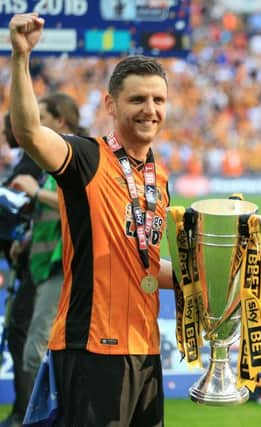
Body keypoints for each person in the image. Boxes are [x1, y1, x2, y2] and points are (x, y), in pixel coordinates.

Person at [8, 13, 173, 427]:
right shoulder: (85, 157)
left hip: (146, 351)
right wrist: (20, 57)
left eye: (158, 100)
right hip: (92, 347)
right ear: (110, 104)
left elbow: (143, 266)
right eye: (137, 99)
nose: (149, 110)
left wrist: (208, 274)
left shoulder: (158, 176)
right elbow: (29, 131)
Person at [9, 93, 88, 393]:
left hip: (63, 266)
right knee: (47, 348)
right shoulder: (55, 160)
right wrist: (28, 239)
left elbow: (80, 201)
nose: (35, 124)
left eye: (42, 118)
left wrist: (33, 191)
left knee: (36, 350)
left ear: (60, 121)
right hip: (47, 265)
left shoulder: (78, 156)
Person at [0, 112, 43, 427]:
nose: (4, 132)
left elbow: (24, 209)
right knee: (22, 334)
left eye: (7, 127)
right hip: (29, 263)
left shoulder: (34, 160)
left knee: (23, 334)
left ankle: (27, 410)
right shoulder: (30, 158)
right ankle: (26, 408)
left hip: (37, 266)